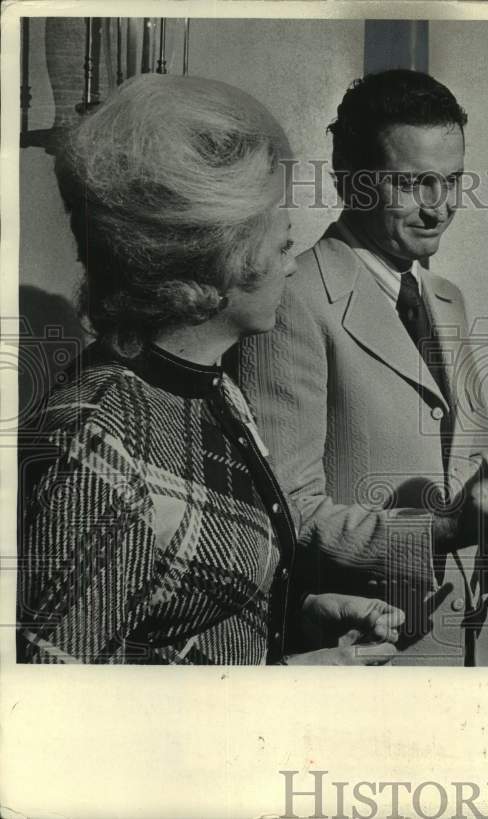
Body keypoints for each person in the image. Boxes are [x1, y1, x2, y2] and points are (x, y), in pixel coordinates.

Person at [17, 74, 403, 666]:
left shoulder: (211, 385)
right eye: (278, 248)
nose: (291, 267)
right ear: (216, 258)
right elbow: (59, 709)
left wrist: (295, 619)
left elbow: (175, 612)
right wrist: (287, 686)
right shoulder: (94, 440)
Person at [239, 69, 488, 666]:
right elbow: (288, 515)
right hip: (362, 656)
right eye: (412, 183)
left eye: (452, 182)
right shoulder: (291, 301)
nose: (440, 207)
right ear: (348, 181)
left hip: (465, 650)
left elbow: (464, 474)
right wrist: (450, 531)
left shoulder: (447, 298)